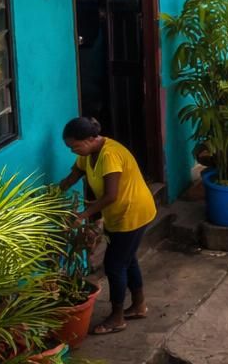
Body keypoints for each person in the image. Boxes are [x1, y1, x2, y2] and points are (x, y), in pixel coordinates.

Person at [59, 118, 157, 334]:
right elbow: (73, 176)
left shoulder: (109, 155)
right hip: (118, 215)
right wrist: (54, 192)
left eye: (75, 146)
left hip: (132, 213)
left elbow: (111, 195)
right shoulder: (88, 155)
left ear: (91, 139)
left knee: (114, 266)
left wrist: (83, 215)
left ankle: (116, 317)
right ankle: (139, 306)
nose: (73, 151)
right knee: (127, 259)